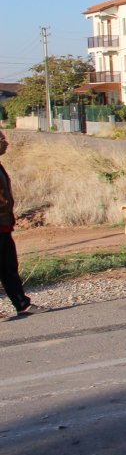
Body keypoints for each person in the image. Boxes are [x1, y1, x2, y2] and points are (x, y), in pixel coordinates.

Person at [0, 131, 39, 317]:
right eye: (1, 140)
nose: (5, 143)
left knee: (9, 266)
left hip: (4, 225)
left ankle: (22, 304)